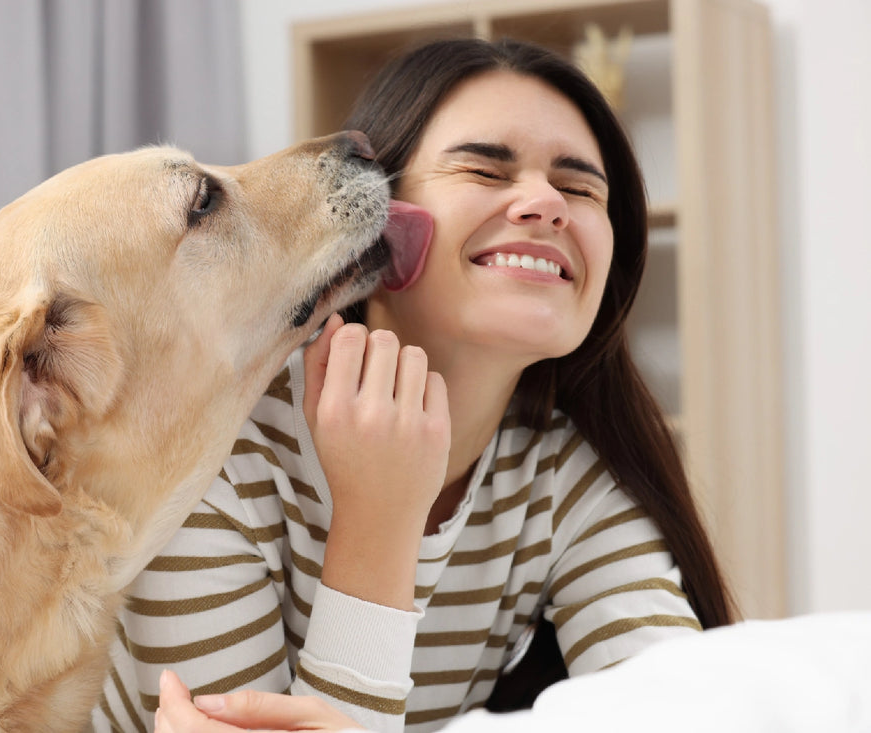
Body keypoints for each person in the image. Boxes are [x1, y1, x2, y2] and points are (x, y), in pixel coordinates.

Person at [91, 35, 734, 733]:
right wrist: (381, 515)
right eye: (487, 171)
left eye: (580, 188)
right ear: (378, 221)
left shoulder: (563, 478)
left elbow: (685, 713)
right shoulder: (219, 458)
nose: (548, 204)